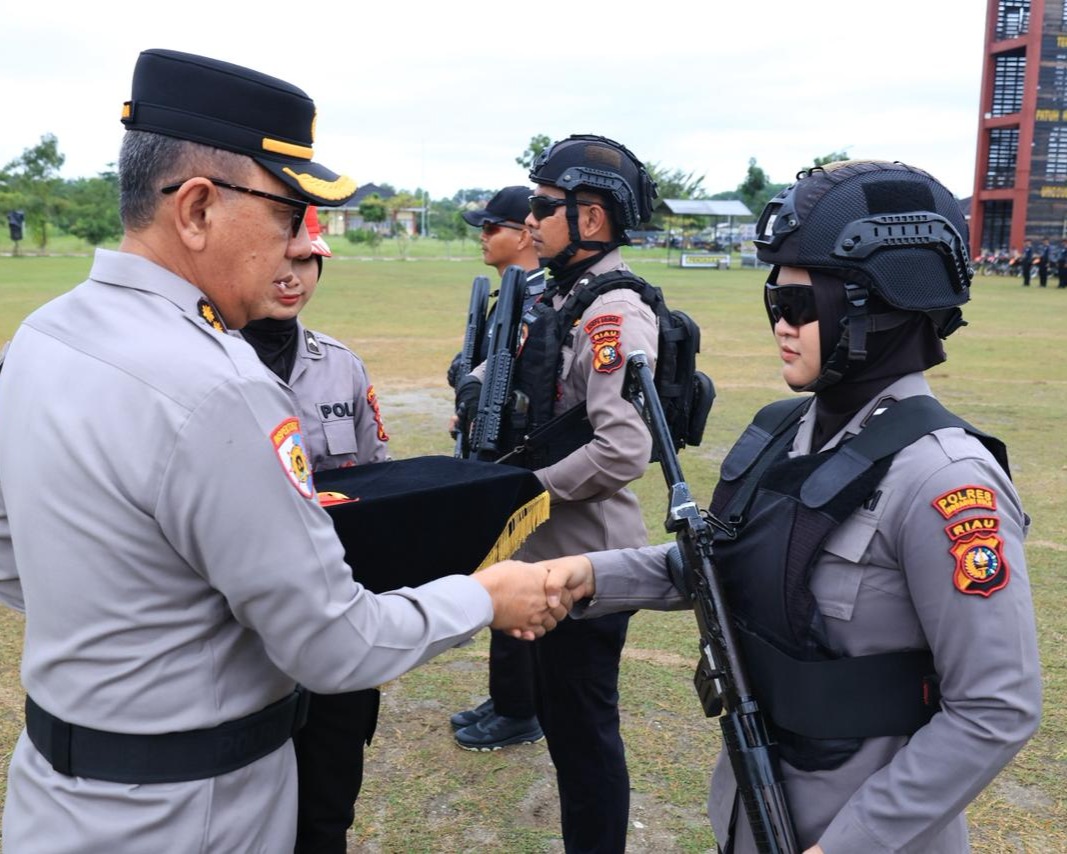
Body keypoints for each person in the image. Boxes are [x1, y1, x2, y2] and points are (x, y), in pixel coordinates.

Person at [0, 48, 568, 853]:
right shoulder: (218, 384)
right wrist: (486, 596)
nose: (296, 240)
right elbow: (333, 645)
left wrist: (127, 614)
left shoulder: (42, 336)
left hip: (54, 800)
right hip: (188, 815)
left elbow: (9, 545)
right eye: (284, 213)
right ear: (196, 208)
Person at [529, 160, 1043, 854]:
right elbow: (714, 564)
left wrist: (848, 844)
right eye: (774, 300)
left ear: (877, 308)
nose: (780, 322)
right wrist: (584, 575)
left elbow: (994, 707)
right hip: (753, 802)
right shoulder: (782, 431)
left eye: (802, 305)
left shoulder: (944, 481)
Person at [459, 135, 661, 852]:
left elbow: (622, 448)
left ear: (593, 220)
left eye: (545, 207)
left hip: (586, 564)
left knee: (582, 740)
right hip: (550, 558)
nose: (532, 221)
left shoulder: (612, 313)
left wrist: (523, 491)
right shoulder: (564, 297)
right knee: (561, 722)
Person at [236, 206, 389, 853]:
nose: (294, 274)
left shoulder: (342, 368)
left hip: (334, 617)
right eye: (283, 257)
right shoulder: (205, 362)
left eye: (307, 260)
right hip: (241, 630)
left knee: (327, 805)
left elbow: (380, 485)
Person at [448, 185, 548, 751]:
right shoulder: (511, 297)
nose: (482, 237)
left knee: (517, 572)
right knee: (497, 570)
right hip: (492, 450)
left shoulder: (540, 303)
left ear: (521, 234)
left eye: (491, 228)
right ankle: (509, 697)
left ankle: (519, 707)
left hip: (519, 461)